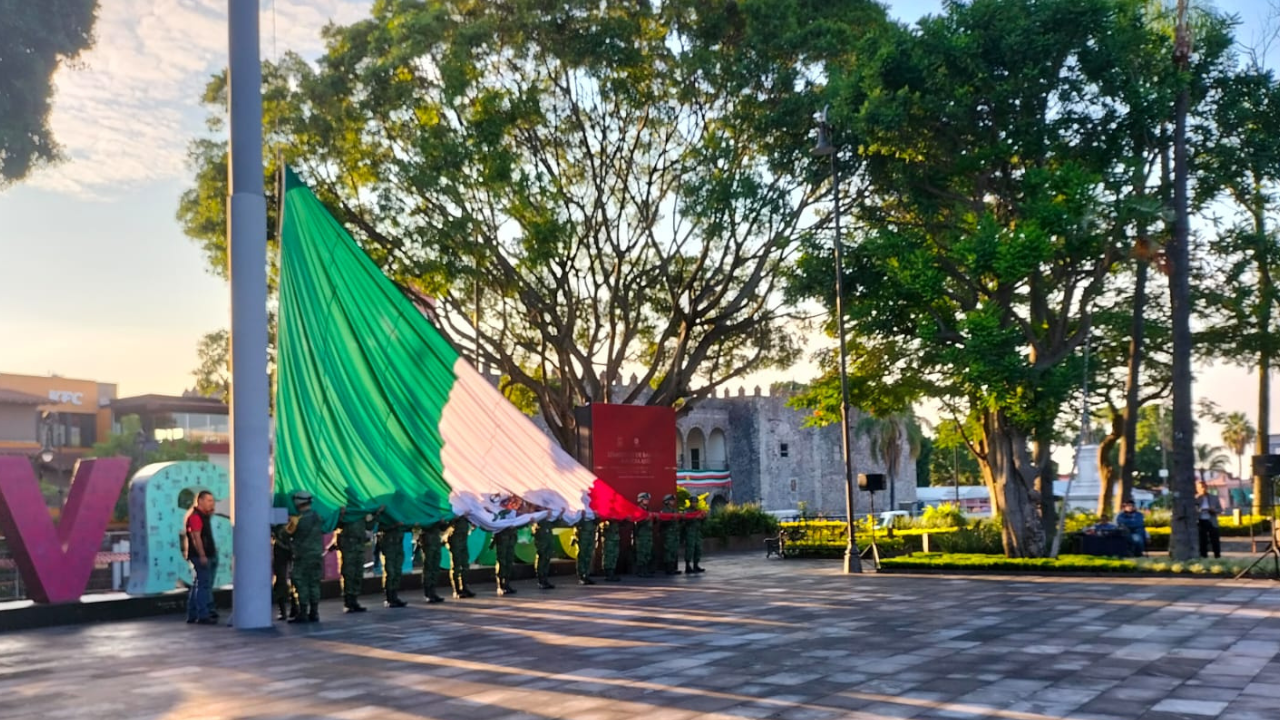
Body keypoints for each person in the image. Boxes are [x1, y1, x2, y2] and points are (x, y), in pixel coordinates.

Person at [331, 504, 384, 613]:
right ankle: (348, 601)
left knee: (358, 573)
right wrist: (340, 514)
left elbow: (369, 526)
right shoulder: (346, 512)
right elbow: (335, 525)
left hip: (359, 546)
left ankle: (354, 600)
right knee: (348, 573)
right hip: (348, 546)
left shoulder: (361, 512)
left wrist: (376, 514)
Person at [288, 491, 324, 623]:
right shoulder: (318, 517)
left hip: (302, 556)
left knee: (300, 582)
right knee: (314, 583)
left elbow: (284, 534)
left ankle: (303, 612)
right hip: (316, 555)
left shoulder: (297, 521)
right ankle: (314, 612)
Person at [184, 490, 219, 625]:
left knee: (198, 584)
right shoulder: (196, 517)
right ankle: (203, 614)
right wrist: (202, 554)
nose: (212, 503)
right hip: (201, 555)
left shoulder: (203, 516)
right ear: (200, 501)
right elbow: (196, 537)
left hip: (204, 554)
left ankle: (193, 613)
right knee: (203, 585)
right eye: (209, 501)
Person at [492, 496, 521, 596]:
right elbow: (497, 516)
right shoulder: (500, 505)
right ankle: (500, 586)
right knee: (502, 561)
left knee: (509, 561)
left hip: (511, 535)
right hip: (502, 535)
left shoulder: (514, 507)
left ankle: (507, 584)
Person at [378, 515, 409, 608]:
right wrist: (394, 525)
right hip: (388, 548)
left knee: (397, 572)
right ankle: (389, 598)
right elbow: (377, 527)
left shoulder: (399, 513)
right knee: (390, 573)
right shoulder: (385, 515)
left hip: (398, 548)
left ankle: (394, 596)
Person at [271, 521, 298, 621]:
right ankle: (294, 608)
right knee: (290, 579)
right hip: (291, 547)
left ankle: (284, 610)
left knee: (281, 580)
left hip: (281, 547)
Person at [417, 520, 447, 604]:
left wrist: (443, 522)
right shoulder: (426, 511)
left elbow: (443, 528)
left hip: (436, 541)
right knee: (428, 566)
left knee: (435, 567)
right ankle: (428, 593)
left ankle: (433, 592)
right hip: (427, 541)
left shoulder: (437, 512)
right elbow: (422, 525)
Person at [445, 516, 476, 598]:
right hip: (454, 538)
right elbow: (445, 522)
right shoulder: (452, 508)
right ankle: (457, 590)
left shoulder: (464, 508)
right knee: (456, 565)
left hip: (463, 539)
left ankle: (464, 587)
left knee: (465, 565)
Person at [1196, 480, 1223, 559]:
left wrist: (1213, 510)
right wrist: (1199, 510)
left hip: (1212, 521)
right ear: (1197, 489)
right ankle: (1204, 556)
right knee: (1202, 540)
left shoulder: (1214, 498)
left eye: (1205, 487)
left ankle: (1217, 556)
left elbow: (1220, 510)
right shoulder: (1195, 499)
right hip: (1201, 521)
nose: (1203, 489)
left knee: (1215, 540)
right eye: (1201, 487)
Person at [532, 509, 557, 590]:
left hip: (548, 539)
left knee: (546, 558)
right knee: (541, 558)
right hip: (542, 540)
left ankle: (545, 580)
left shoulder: (548, 519)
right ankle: (541, 580)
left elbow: (555, 523)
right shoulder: (537, 515)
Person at [659, 494, 682, 575]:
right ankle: (668, 568)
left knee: (674, 551)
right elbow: (662, 522)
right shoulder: (664, 511)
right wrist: (671, 519)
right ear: (667, 501)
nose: (673, 502)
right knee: (668, 551)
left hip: (675, 533)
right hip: (668, 534)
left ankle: (673, 567)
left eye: (673, 500)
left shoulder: (674, 510)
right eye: (671, 500)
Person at [633, 492, 654, 577]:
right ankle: (640, 571)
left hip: (648, 534)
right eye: (645, 499)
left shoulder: (648, 509)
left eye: (648, 499)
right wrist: (646, 519)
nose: (647, 501)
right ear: (641, 500)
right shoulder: (638, 509)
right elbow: (637, 522)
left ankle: (646, 570)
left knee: (647, 552)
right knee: (641, 552)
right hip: (641, 535)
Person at [683, 498, 706, 574]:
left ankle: (696, 565)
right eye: (693, 502)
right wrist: (695, 518)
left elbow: (703, 522)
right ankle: (687, 565)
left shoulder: (697, 511)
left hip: (697, 532)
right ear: (690, 503)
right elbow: (685, 520)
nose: (694, 504)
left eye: (696, 502)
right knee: (690, 548)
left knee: (698, 549)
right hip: (690, 532)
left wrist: (703, 517)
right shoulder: (687, 511)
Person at [573, 517, 597, 585]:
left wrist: (596, 517)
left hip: (590, 536)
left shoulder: (591, 513)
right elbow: (574, 522)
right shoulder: (579, 509)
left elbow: (597, 522)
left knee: (588, 555)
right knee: (581, 555)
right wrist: (582, 517)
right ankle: (581, 576)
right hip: (582, 537)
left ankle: (586, 575)